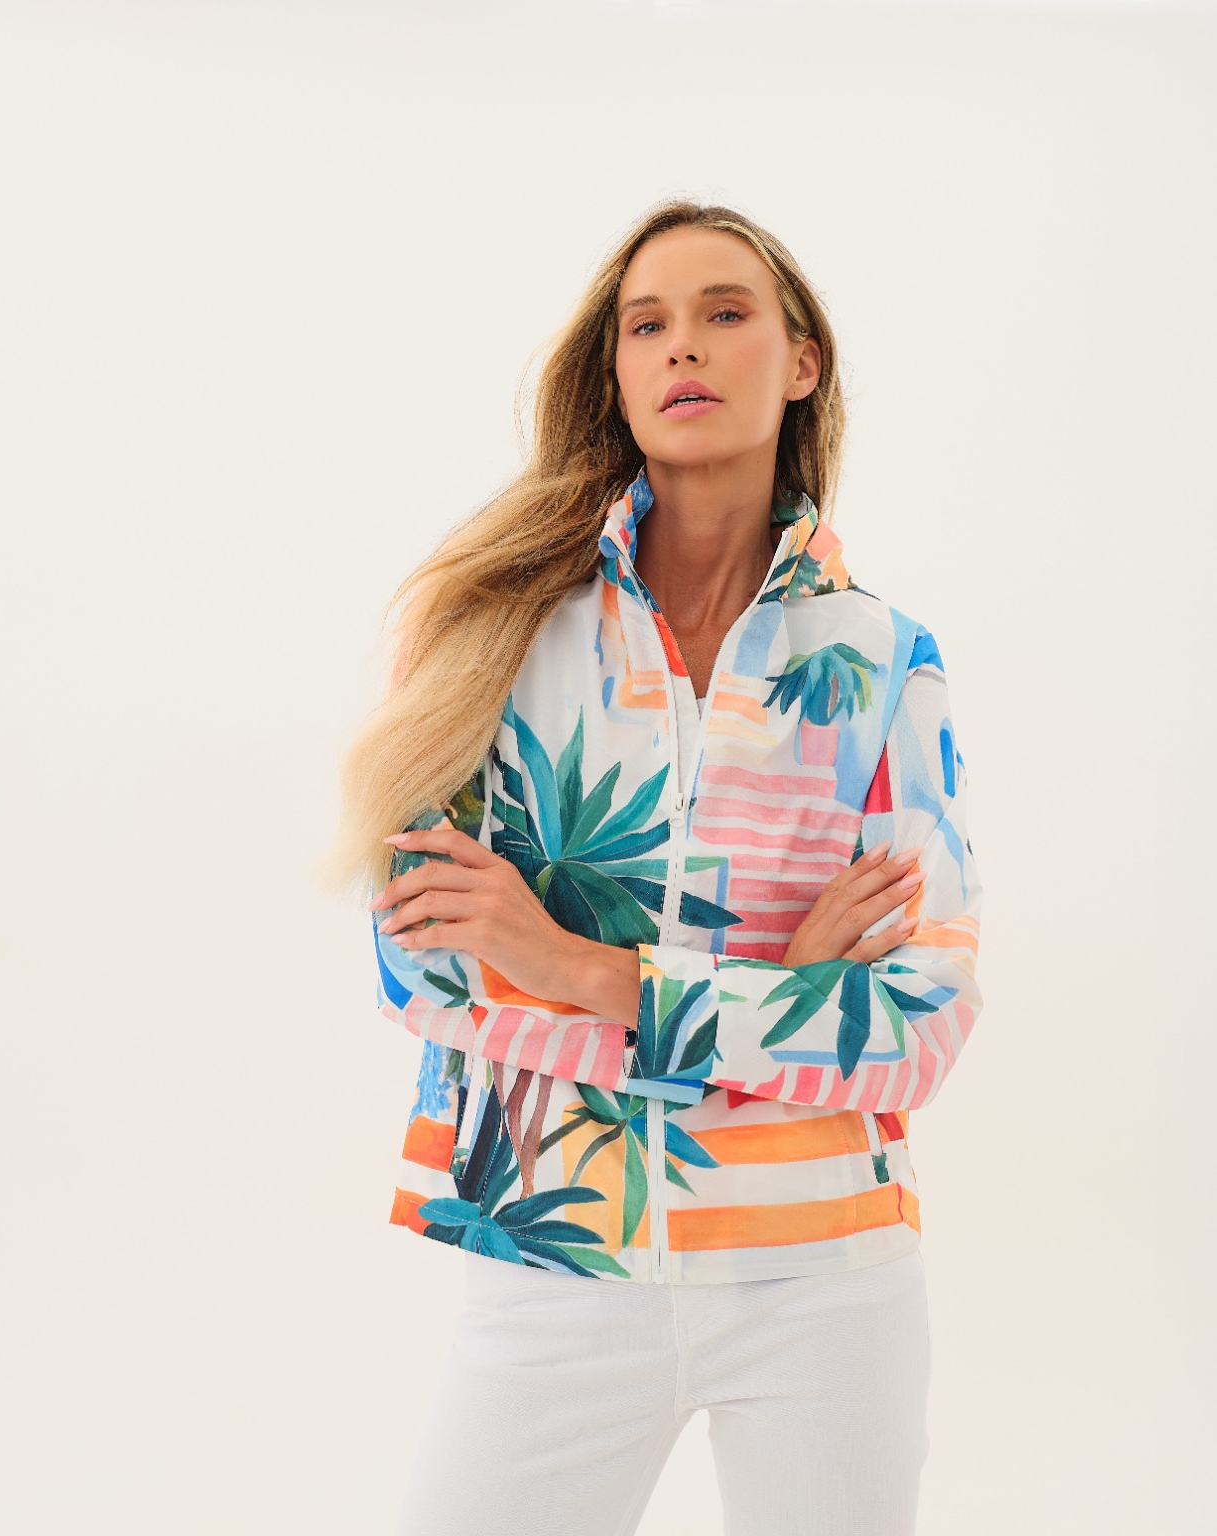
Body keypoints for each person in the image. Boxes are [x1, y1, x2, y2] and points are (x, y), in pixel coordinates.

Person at [317, 198, 984, 1535]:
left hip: (824, 1273)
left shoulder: (879, 663)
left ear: (801, 363)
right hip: (553, 1255)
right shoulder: (489, 637)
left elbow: (917, 1025)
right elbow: (425, 974)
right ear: (615, 375)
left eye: (726, 312)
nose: (684, 345)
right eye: (647, 324)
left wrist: (569, 963)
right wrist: (776, 989)